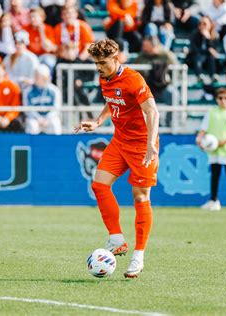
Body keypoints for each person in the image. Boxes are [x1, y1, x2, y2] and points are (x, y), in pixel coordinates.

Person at [74, 39, 159, 278]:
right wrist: (98, 121)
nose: (98, 67)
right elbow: (112, 101)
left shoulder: (134, 80)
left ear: (116, 58)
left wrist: (151, 144)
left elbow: (152, 111)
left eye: (102, 63)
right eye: (96, 63)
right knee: (99, 184)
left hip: (143, 145)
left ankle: (138, 256)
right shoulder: (105, 77)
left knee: (140, 196)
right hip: (120, 141)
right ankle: (116, 238)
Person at [23, 64, 62, 134]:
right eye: (37, 76)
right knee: (32, 125)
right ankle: (33, 145)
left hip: (49, 118)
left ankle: (56, 144)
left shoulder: (54, 90)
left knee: (55, 124)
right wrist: (39, 118)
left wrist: (47, 119)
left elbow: (56, 109)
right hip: (34, 118)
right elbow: (28, 109)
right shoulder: (28, 91)